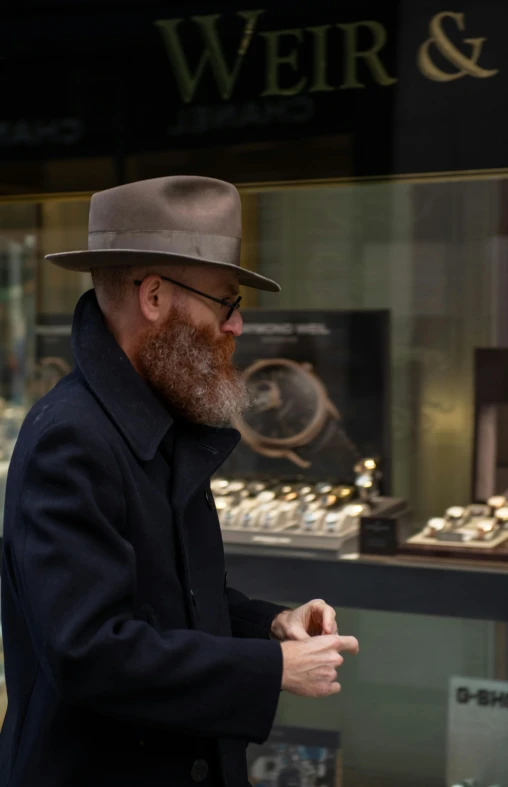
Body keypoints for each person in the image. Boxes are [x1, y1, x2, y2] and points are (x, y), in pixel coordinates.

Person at [0, 176, 359, 787]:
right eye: (226, 300)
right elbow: (90, 651)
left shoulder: (156, 419)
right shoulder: (74, 437)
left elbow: (175, 604)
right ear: (156, 296)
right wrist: (269, 668)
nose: (236, 325)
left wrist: (269, 626)